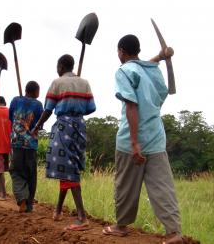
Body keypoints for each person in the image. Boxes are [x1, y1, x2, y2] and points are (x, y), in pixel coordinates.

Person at [102, 34, 182, 244]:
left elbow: (131, 105)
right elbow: (147, 64)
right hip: (156, 138)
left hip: (131, 140)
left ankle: (120, 226)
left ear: (121, 51)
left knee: (125, 185)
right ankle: (174, 233)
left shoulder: (124, 71)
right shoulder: (151, 71)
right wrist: (161, 56)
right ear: (137, 50)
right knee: (163, 187)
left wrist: (135, 143)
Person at [32, 54, 96, 231]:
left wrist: (37, 126)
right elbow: (91, 108)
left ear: (61, 66)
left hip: (64, 127)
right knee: (67, 167)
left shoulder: (57, 82)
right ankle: (58, 210)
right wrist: (76, 107)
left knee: (69, 169)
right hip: (80, 126)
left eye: (57, 66)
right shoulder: (85, 83)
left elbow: (48, 109)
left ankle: (82, 218)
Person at [9, 81, 43, 213]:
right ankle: (29, 205)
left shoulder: (15, 101)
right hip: (31, 145)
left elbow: (11, 118)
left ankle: (22, 199)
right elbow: (40, 124)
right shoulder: (38, 105)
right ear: (35, 91)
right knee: (31, 174)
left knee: (16, 172)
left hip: (16, 142)